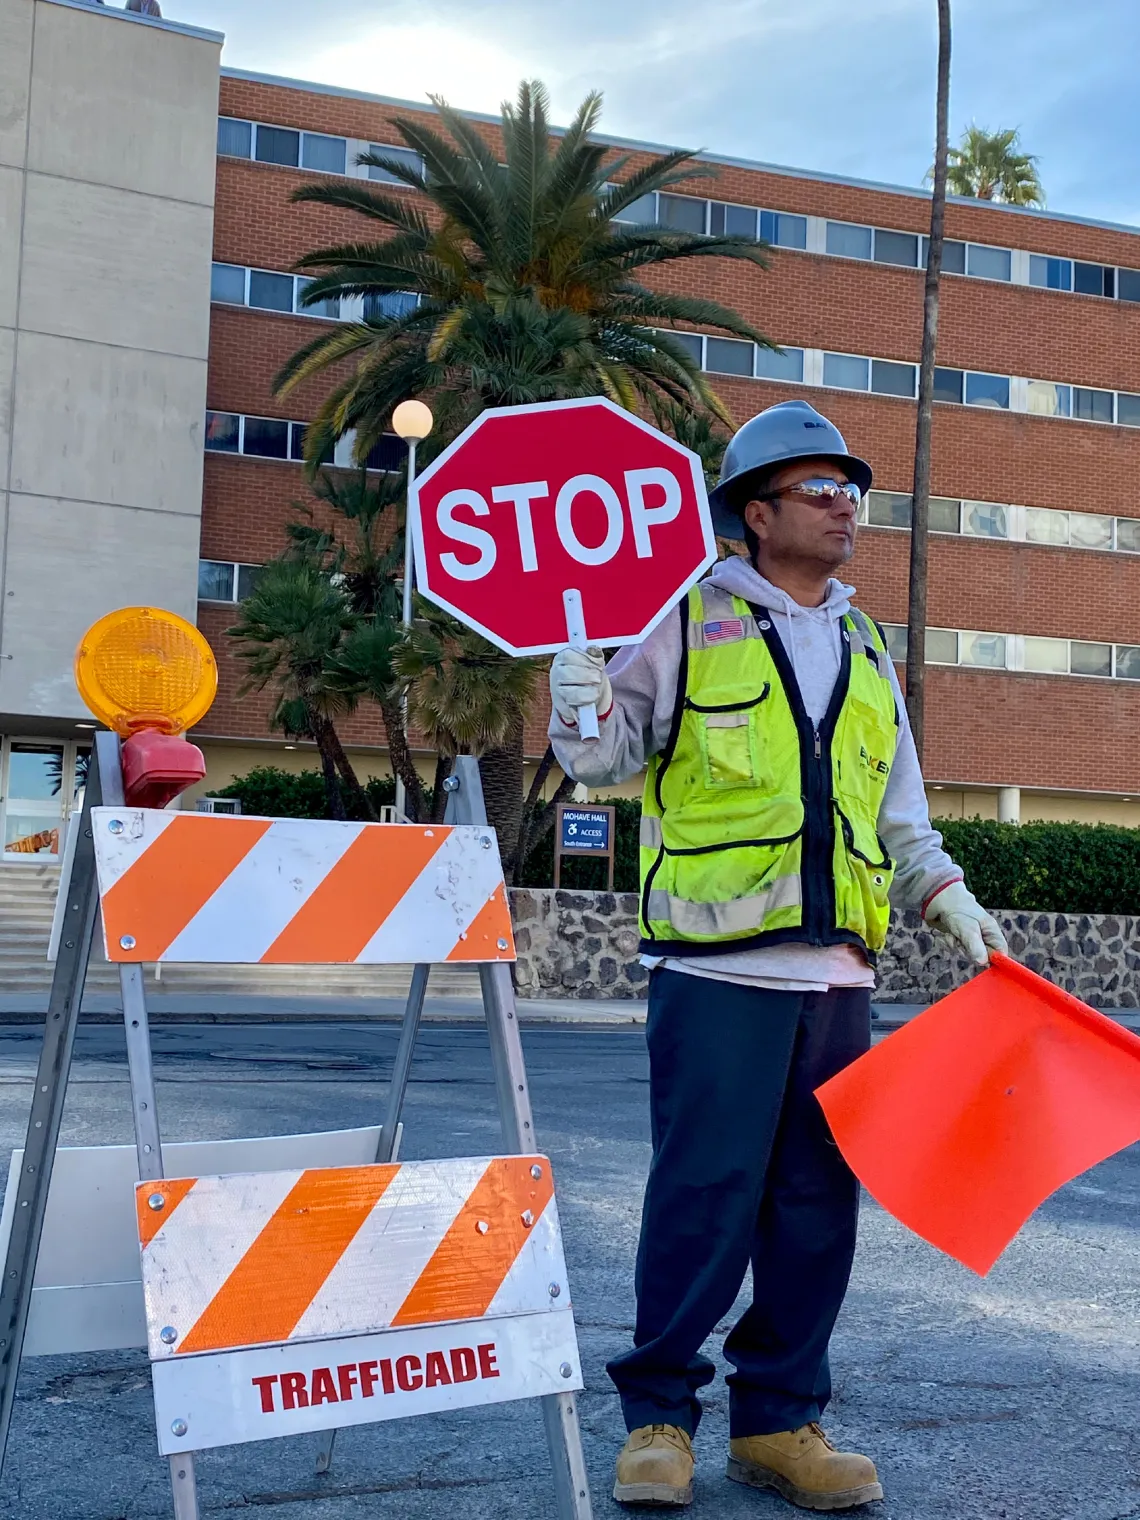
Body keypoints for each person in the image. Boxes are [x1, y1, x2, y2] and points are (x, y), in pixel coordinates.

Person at [548, 399, 1006, 1511]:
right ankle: (659, 1415)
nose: (845, 505)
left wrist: (950, 896)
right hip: (715, 972)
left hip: (838, 982)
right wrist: (574, 695)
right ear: (755, 513)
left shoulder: (863, 643)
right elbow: (608, 756)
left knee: (814, 1207)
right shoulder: (688, 614)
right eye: (818, 489)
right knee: (705, 1194)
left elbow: (898, 812)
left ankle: (782, 1421)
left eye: (851, 490)